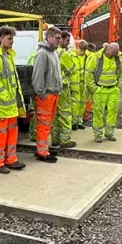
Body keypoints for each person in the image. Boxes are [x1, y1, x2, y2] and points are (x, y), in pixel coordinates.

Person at [0, 26, 27, 173]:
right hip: (1, 106)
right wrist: (6, 97)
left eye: (12, 39)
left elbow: (13, 82)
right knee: (0, 136)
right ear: (1, 38)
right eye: (9, 39)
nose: (12, 42)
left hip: (9, 106)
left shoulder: (8, 57)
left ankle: (11, 159)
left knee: (12, 134)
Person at [31, 26, 63, 162]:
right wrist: (42, 94)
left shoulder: (53, 53)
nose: (59, 41)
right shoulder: (42, 54)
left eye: (60, 38)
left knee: (47, 124)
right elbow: (37, 77)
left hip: (53, 94)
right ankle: (42, 152)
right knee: (43, 124)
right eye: (57, 38)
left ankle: (43, 149)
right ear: (49, 37)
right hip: (47, 95)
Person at [85, 42, 122, 143]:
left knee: (113, 112)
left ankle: (109, 132)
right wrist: (94, 88)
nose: (112, 56)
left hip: (113, 89)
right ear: (107, 49)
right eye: (111, 54)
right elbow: (88, 73)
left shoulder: (117, 57)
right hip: (100, 89)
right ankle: (97, 134)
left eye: (114, 55)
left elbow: (121, 72)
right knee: (98, 113)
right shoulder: (96, 57)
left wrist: (118, 86)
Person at [52, 31, 77, 148]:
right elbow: (72, 69)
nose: (68, 44)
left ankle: (55, 139)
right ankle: (65, 140)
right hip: (63, 87)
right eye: (67, 41)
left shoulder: (51, 51)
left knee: (56, 115)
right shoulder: (64, 54)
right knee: (66, 114)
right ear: (61, 39)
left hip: (52, 88)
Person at [70, 40, 90, 130]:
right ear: (78, 48)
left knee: (82, 104)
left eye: (84, 50)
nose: (82, 52)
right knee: (75, 104)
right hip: (75, 84)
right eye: (81, 50)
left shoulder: (88, 56)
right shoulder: (72, 56)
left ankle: (79, 121)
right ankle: (73, 122)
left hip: (84, 84)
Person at [83, 42, 98, 123]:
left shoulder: (83, 55)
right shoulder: (93, 56)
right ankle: (86, 116)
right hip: (89, 81)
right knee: (88, 100)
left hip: (81, 81)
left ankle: (80, 117)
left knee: (80, 101)